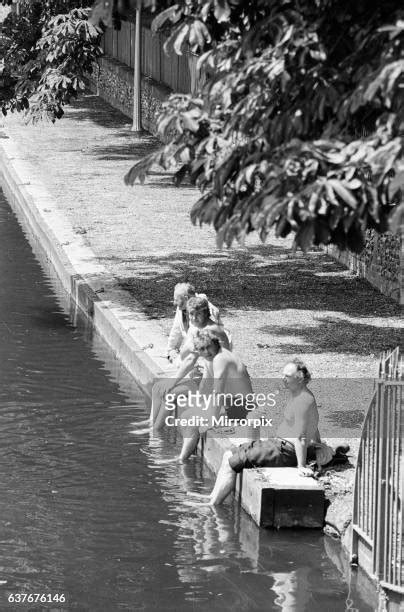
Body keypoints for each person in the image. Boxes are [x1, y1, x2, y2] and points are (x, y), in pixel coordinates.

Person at [191, 359, 322, 505]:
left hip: (285, 451)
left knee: (231, 462)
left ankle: (213, 505)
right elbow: (313, 425)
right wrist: (319, 445)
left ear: (299, 378)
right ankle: (212, 496)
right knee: (228, 453)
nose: (283, 379)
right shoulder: (296, 393)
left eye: (287, 376)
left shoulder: (303, 400)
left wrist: (301, 466)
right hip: (278, 445)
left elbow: (301, 436)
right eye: (283, 375)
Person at [132, 297, 229, 431]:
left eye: (198, 314)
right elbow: (189, 357)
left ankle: (155, 430)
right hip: (198, 375)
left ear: (206, 313)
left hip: (211, 380)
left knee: (170, 394)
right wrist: (174, 379)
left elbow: (193, 360)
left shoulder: (211, 331)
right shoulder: (197, 328)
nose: (194, 318)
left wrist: (174, 381)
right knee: (159, 387)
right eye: (191, 314)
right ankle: (151, 422)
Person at [164, 329, 255, 462]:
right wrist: (199, 403)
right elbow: (206, 385)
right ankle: (190, 448)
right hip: (231, 405)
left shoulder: (220, 359)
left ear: (215, 343)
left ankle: (182, 459)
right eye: (202, 349)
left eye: (209, 347)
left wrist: (212, 419)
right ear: (197, 350)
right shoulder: (210, 358)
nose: (206, 351)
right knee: (186, 415)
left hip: (242, 410)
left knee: (191, 420)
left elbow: (218, 392)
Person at [167, 283, 221, 365]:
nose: (174, 303)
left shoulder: (204, 309)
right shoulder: (181, 308)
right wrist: (171, 350)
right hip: (192, 353)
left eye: (176, 300)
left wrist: (180, 359)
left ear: (186, 298)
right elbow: (176, 330)